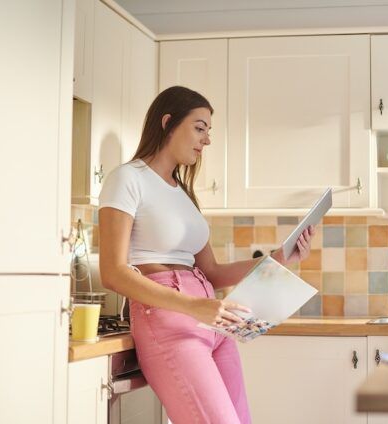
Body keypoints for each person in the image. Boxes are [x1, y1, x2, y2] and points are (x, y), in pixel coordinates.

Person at [98, 85, 314, 424]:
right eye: (200, 128)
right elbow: (113, 272)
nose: (207, 139)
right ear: (168, 122)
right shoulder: (127, 178)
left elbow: (211, 272)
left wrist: (279, 258)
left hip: (213, 318)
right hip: (170, 320)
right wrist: (192, 305)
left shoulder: (183, 193)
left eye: (208, 131)